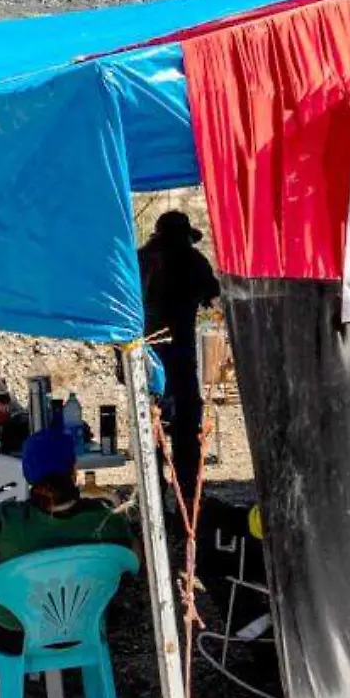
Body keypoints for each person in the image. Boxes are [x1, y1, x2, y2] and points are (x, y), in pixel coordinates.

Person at [0, 429, 135, 653]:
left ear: (28, 475)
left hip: (14, 637)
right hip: (86, 631)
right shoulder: (107, 518)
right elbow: (134, 563)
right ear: (74, 471)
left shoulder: (7, 520)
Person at [136, 210, 221, 503]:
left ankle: (153, 501)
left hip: (143, 361)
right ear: (186, 236)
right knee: (185, 435)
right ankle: (188, 500)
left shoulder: (138, 260)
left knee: (150, 432)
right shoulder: (194, 260)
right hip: (181, 360)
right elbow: (216, 298)